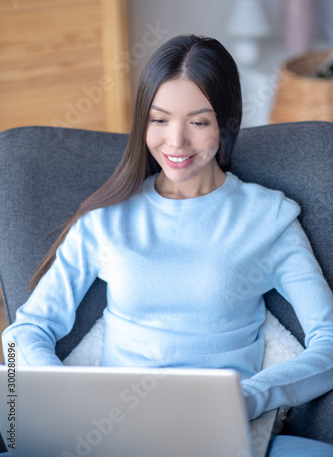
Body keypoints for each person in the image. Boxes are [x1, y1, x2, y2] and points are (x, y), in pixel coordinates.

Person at [2, 34, 333, 456]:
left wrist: (249, 398)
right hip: (110, 434)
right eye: (159, 120)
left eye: (198, 122)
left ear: (226, 124)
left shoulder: (268, 217)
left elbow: (328, 340)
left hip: (223, 435)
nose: (175, 142)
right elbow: (24, 331)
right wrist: (61, 394)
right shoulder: (106, 219)